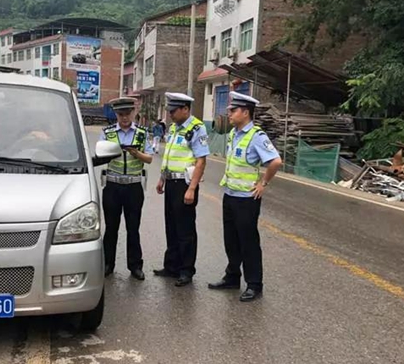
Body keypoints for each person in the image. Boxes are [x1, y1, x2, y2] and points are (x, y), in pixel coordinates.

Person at [208, 92, 283, 301]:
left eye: (233, 110)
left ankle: (254, 284)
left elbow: (276, 161)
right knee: (231, 240)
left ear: (245, 113)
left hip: (247, 200)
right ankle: (232, 277)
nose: (229, 113)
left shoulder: (256, 136)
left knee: (248, 242)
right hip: (230, 195)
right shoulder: (234, 133)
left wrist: (263, 183)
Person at [154, 92, 209, 287]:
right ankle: (171, 266)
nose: (170, 114)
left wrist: (192, 188)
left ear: (185, 109)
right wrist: (162, 178)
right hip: (170, 182)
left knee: (185, 229)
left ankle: (186, 270)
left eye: (173, 111)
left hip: (184, 184)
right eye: (169, 111)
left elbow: (201, 161)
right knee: (171, 226)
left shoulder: (196, 128)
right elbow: (169, 156)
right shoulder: (174, 128)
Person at [100, 97, 154, 280]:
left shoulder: (141, 133)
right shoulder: (107, 133)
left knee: (133, 228)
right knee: (111, 228)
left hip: (133, 187)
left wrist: (137, 154)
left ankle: (135, 266)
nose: (124, 118)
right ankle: (108, 264)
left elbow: (150, 158)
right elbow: (99, 155)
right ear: (116, 114)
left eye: (127, 114)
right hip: (113, 186)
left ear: (133, 113)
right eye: (120, 114)